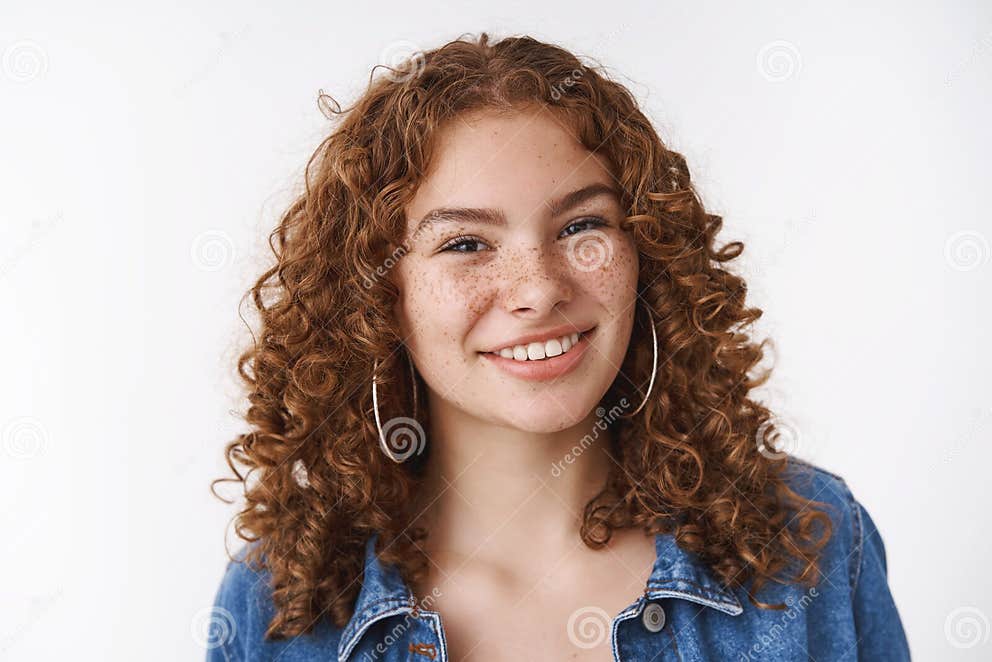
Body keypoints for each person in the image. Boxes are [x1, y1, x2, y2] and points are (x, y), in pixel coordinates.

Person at [207, 32, 911, 661]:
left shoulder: (811, 539)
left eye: (581, 227)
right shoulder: (278, 607)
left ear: (647, 252)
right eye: (464, 244)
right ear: (375, 297)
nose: (538, 289)